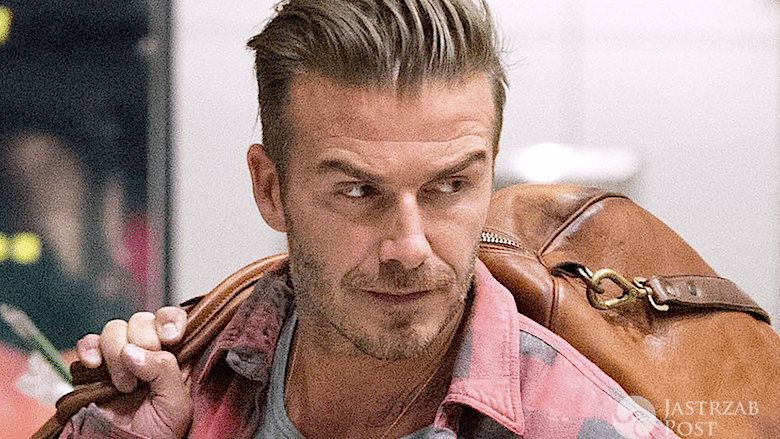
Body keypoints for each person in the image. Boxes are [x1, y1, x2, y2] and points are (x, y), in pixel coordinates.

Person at [61, 1, 680, 438]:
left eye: (449, 187)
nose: (409, 247)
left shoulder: (583, 425)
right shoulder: (181, 387)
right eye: (359, 191)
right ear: (270, 189)